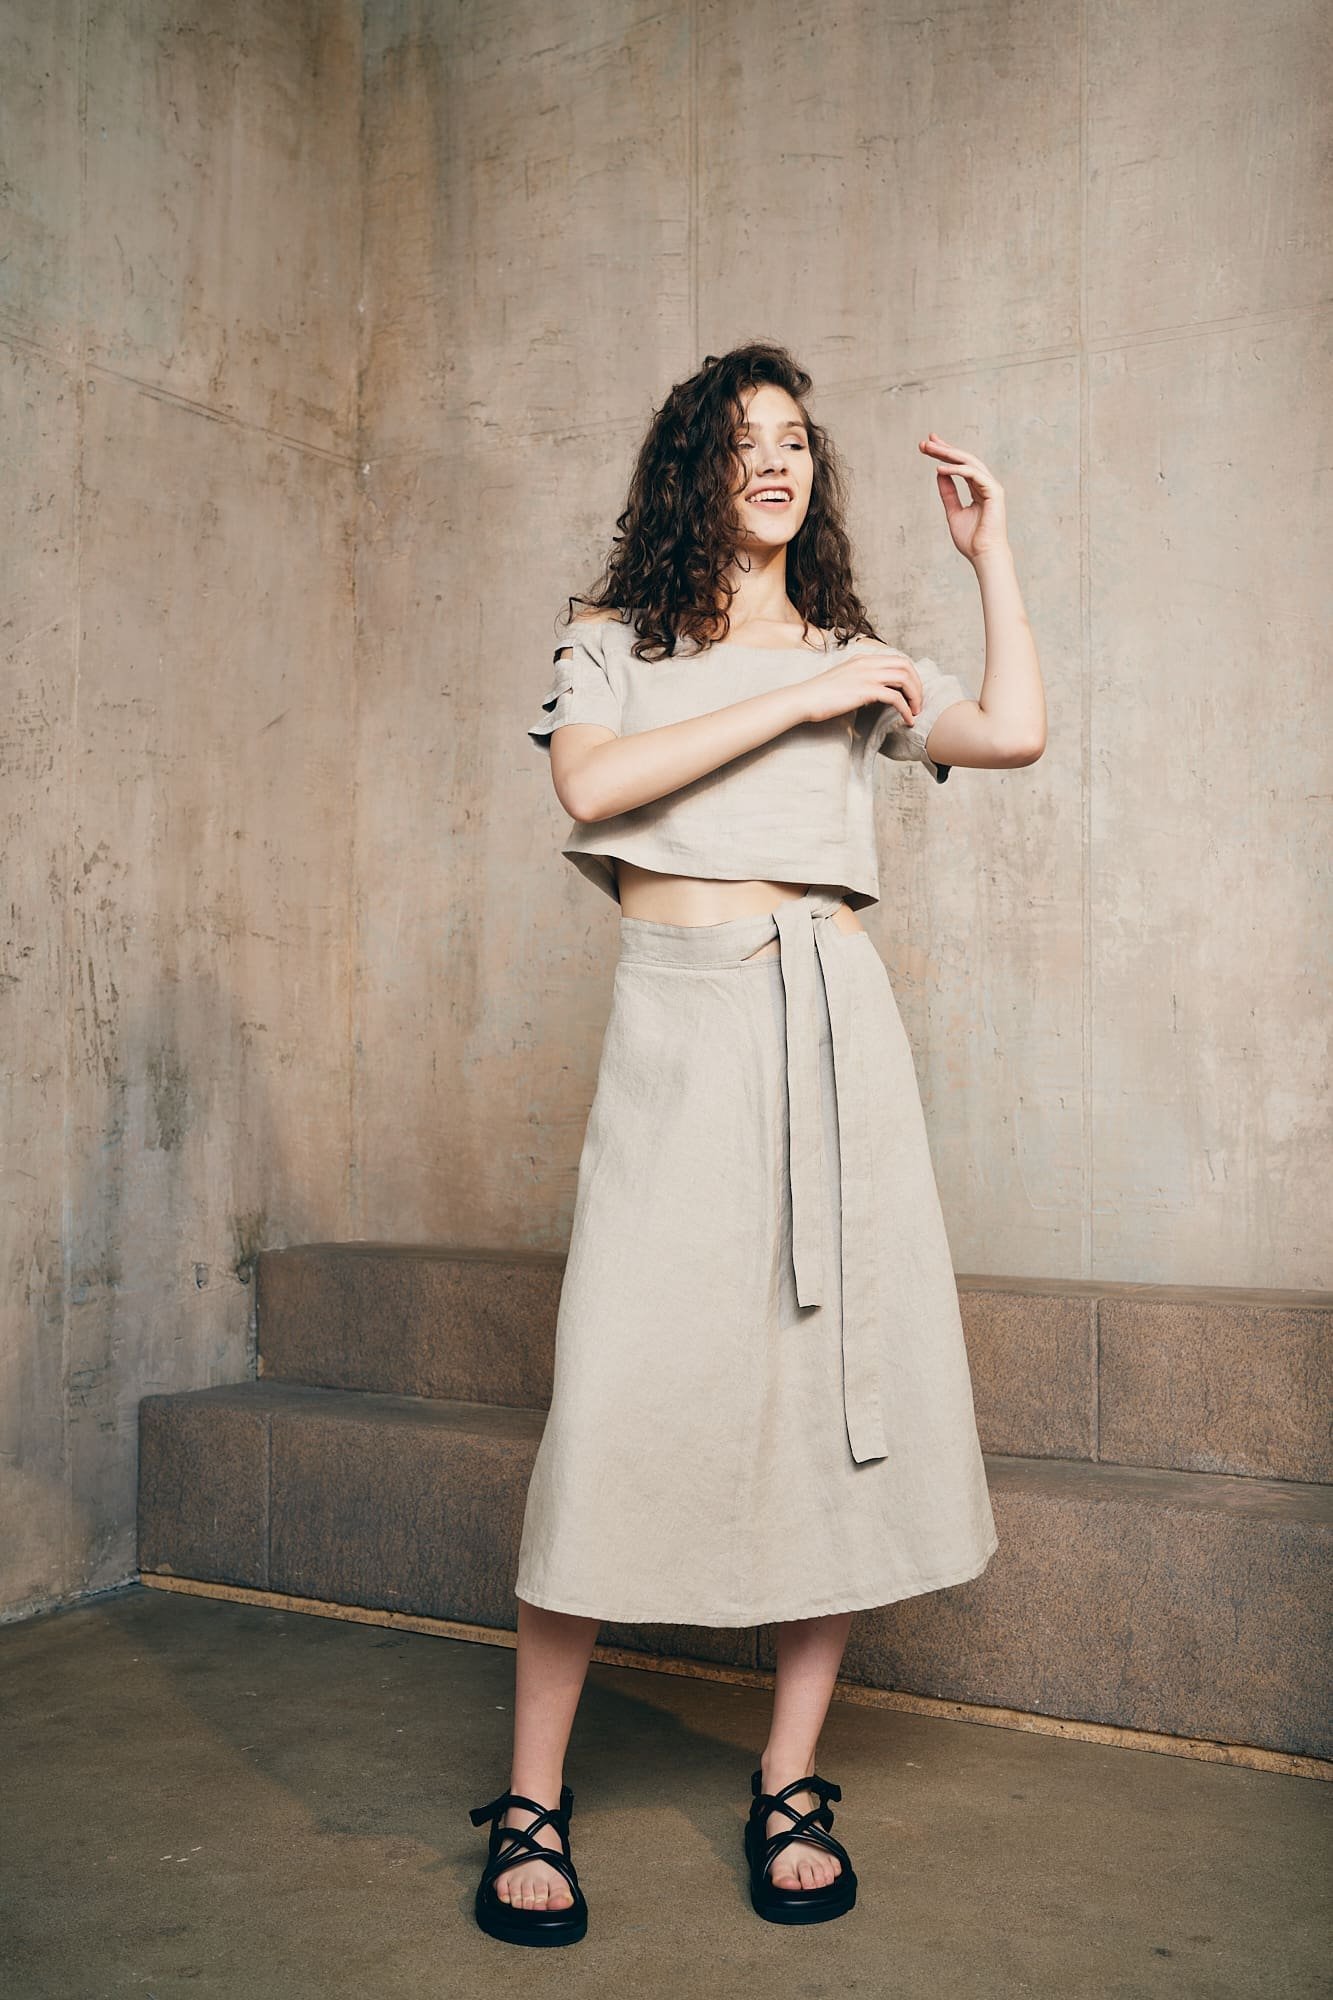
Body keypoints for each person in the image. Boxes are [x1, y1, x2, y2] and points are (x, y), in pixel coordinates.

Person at [468, 342, 1046, 1946]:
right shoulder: (612, 643)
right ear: (691, 470)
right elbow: (592, 785)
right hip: (678, 1029)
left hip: (828, 1025)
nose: (776, 461)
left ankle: (787, 1779)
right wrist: (793, 694)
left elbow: (1012, 733)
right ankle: (531, 1798)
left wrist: (989, 555)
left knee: (825, 1401)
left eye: (794, 438)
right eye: (742, 440)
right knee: (612, 1398)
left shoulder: (859, 656)